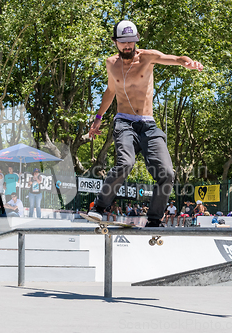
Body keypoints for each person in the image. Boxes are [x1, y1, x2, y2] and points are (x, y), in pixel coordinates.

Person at [87, 20, 203, 227]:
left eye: (131, 42)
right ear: (115, 42)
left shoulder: (147, 58)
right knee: (125, 164)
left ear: (136, 41)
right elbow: (110, 92)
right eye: (123, 43)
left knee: (167, 174)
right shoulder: (111, 63)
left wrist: (188, 62)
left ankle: (154, 219)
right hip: (124, 123)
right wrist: (97, 119)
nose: (127, 47)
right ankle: (99, 207)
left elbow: (175, 58)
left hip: (148, 125)